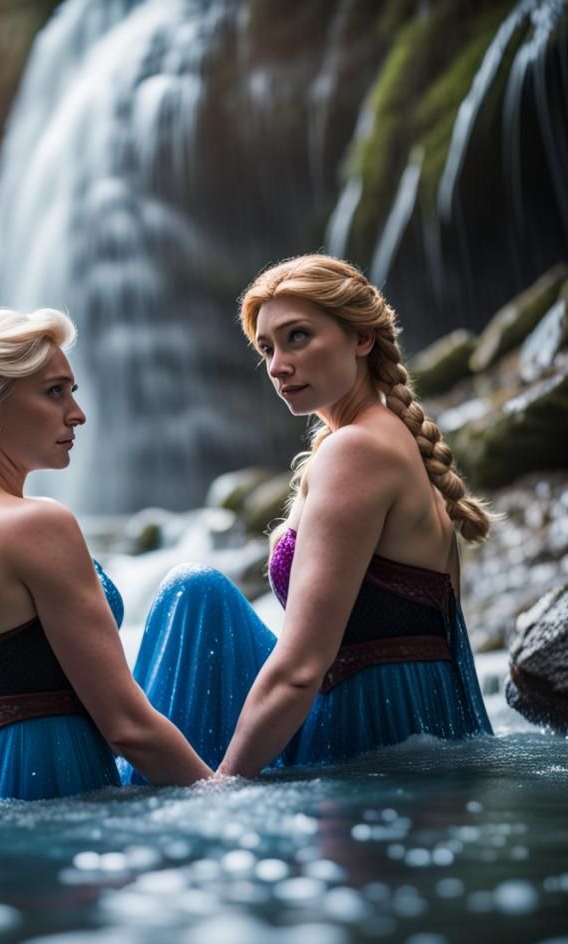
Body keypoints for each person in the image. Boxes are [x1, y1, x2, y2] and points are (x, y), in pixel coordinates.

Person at [125, 254, 493, 782]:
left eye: (298, 337)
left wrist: (222, 786)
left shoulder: (357, 451)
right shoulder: (384, 437)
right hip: (419, 713)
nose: (277, 365)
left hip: (379, 728)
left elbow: (301, 669)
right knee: (200, 593)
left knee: (194, 593)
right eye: (267, 348)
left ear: (361, 338)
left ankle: (145, 791)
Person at [0, 308, 211, 800]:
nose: (77, 413)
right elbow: (127, 728)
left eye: (73, 391)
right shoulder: (35, 523)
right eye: (54, 392)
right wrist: (224, 795)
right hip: (50, 777)